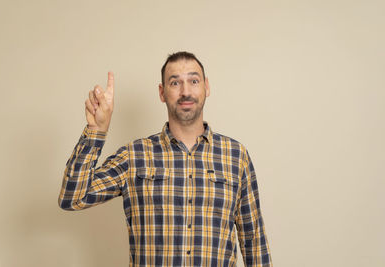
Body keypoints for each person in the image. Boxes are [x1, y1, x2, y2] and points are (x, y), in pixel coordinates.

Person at [58, 51, 273, 267]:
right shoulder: (134, 156)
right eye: (175, 83)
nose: (185, 91)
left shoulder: (236, 157)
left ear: (206, 87)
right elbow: (73, 197)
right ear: (162, 92)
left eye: (193, 81)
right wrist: (97, 129)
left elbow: (254, 244)